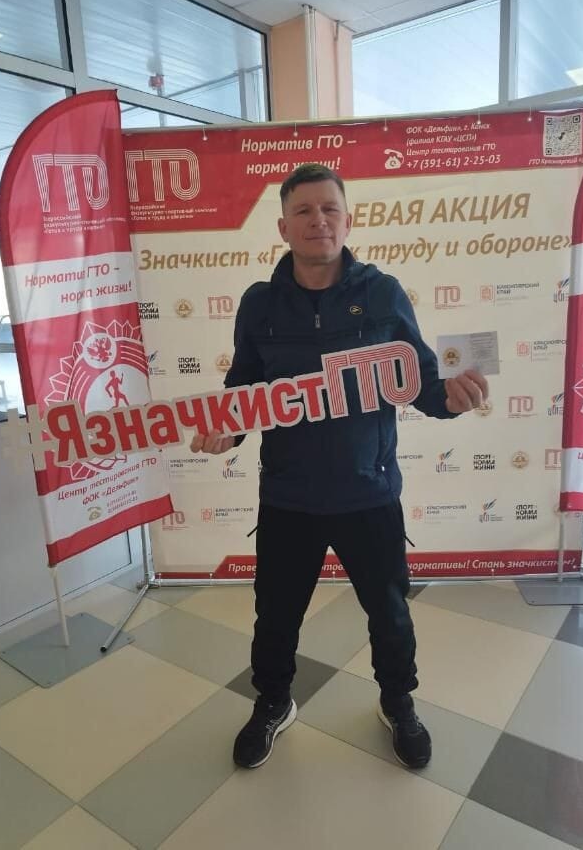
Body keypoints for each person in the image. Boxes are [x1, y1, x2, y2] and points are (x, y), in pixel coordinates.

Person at [190, 163, 488, 771]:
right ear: (283, 227)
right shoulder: (259, 305)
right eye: (303, 210)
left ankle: (398, 702)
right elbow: (243, 390)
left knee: (390, 613)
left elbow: (422, 382)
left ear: (347, 221)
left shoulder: (383, 294)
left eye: (329, 209)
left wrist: (453, 401)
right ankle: (273, 702)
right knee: (275, 617)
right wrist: (226, 430)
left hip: (368, 494)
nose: (318, 220)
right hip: (288, 497)